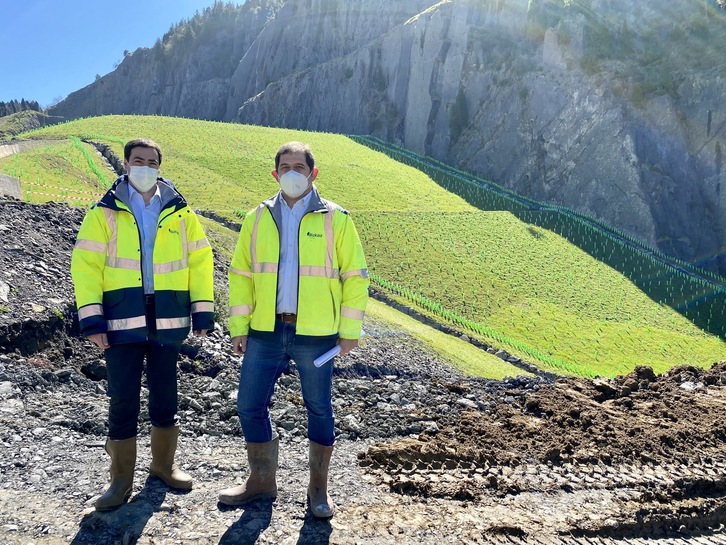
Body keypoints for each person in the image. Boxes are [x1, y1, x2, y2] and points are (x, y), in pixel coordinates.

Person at [219, 141, 369, 518]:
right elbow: (240, 276)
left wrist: (349, 331)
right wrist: (239, 326)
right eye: (285, 166)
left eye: (299, 167)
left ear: (313, 173)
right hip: (265, 331)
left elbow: (355, 278)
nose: (292, 173)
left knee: (319, 408)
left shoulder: (337, 219)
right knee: (249, 405)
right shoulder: (256, 218)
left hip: (316, 335)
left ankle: (318, 489)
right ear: (274, 173)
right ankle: (261, 481)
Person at [71, 138, 214, 511]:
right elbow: (85, 267)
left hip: (168, 319)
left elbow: (200, 262)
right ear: (126, 163)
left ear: (159, 166)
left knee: (166, 397)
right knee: (122, 400)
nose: (145, 167)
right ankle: (119, 481)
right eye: (138, 160)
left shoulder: (182, 214)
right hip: (120, 320)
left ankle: (163, 467)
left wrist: (201, 311)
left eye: (152, 161)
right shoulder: (102, 212)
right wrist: (92, 317)